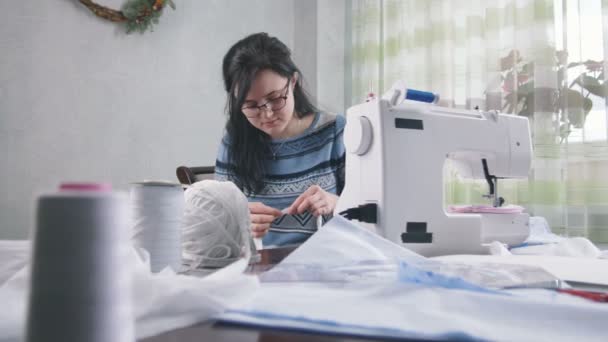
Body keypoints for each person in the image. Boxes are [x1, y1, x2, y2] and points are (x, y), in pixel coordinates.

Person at [215, 32, 345, 247]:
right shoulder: (234, 141)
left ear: (293, 82)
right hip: (256, 269)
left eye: (275, 99)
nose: (267, 114)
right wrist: (238, 223)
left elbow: (371, 215)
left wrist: (336, 202)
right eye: (251, 105)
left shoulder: (334, 133)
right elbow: (216, 221)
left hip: (327, 264)